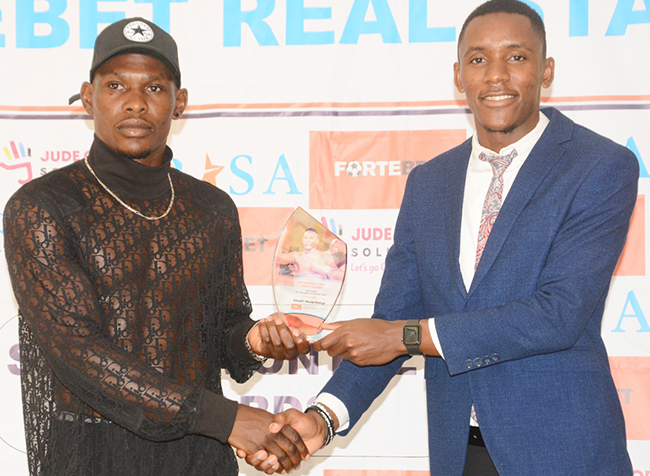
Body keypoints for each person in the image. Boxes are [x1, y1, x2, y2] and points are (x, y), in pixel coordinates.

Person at [263, 1, 639, 475]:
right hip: (459, 453)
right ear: (459, 76)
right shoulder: (429, 183)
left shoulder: (599, 166)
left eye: (516, 57)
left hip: (563, 451)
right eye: (478, 59)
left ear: (546, 71)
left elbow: (558, 313)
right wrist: (323, 417)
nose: (496, 75)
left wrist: (404, 336)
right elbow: (392, 320)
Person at [3, 17, 311, 476]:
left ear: (179, 101)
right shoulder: (44, 205)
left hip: (197, 456)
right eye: (115, 86)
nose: (135, 103)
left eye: (153, 88)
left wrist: (254, 340)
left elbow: (221, 328)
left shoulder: (211, 208)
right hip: (89, 456)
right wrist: (228, 419)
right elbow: (77, 351)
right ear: (88, 97)